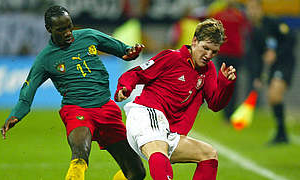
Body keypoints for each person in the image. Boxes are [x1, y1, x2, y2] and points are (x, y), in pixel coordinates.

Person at [0, 5, 146, 180]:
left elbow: (124, 51)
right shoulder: (45, 59)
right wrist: (16, 114)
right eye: (61, 30)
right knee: (80, 155)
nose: (68, 32)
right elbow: (28, 89)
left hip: (106, 109)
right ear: (49, 29)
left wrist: (132, 52)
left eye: (69, 26)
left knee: (137, 172)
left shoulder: (89, 35)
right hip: (77, 110)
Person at [115, 18, 236, 180]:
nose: (208, 55)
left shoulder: (208, 70)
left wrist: (225, 84)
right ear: (194, 41)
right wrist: (125, 87)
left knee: (208, 154)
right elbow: (136, 73)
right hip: (146, 114)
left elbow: (215, 104)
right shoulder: (172, 58)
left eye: (214, 52)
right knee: (159, 148)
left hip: (167, 131)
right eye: (205, 48)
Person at [245, 0, 296, 145]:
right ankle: (282, 133)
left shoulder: (273, 22)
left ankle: (282, 133)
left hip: (285, 63)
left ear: (261, 9)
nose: (252, 12)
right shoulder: (254, 31)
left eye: (254, 8)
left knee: (274, 94)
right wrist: (257, 76)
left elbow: (291, 39)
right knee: (272, 98)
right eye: (249, 9)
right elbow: (256, 56)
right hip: (273, 67)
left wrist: (276, 54)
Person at [210, 0, 249, 122]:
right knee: (233, 84)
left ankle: (223, 110)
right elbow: (246, 32)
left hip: (222, 52)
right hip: (236, 54)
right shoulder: (240, 16)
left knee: (222, 81)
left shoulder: (218, 15)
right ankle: (231, 113)